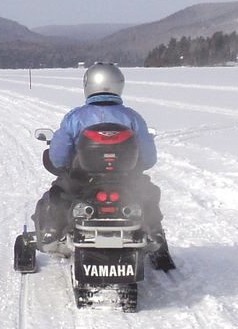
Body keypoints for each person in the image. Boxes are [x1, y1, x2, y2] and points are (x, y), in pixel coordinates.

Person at [33, 62, 166, 246]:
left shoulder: (75, 118)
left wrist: (63, 166)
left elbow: (59, 157)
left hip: (82, 181)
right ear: (119, 83)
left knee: (59, 192)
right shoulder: (133, 117)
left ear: (88, 84)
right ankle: (154, 229)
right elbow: (149, 158)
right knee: (149, 192)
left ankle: (54, 229)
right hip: (126, 182)